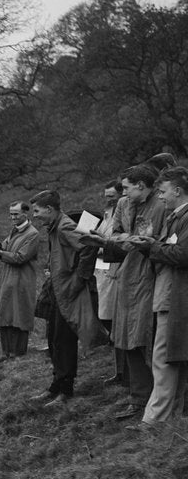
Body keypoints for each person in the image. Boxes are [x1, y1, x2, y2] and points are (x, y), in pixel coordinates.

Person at [87, 164, 167, 419]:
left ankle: (161, 396)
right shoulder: (125, 204)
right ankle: (138, 397)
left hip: (151, 277)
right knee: (127, 338)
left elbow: (158, 242)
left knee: (149, 338)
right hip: (127, 276)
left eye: (127, 187)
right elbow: (120, 234)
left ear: (141, 186)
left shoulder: (161, 205)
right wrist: (109, 242)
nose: (123, 193)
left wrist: (122, 241)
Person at [28, 190, 103, 406]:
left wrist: (79, 278)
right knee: (53, 339)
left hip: (68, 293)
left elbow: (89, 245)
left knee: (63, 341)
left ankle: (66, 390)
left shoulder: (64, 226)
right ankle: (56, 385)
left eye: (37, 211)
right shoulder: (55, 227)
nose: (35, 216)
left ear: (49, 209)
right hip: (58, 291)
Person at [128, 166, 188, 429]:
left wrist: (151, 246)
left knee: (163, 359)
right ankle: (171, 418)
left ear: (177, 190)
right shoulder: (175, 217)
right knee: (172, 358)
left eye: (162, 191)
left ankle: (154, 420)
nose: (160, 196)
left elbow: (182, 254)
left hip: (175, 297)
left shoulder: (184, 218)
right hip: (169, 295)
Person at [0, 202, 39, 361]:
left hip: (21, 280)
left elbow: (21, 257)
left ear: (25, 213)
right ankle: (6, 352)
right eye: (11, 214)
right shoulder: (16, 230)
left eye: (16, 214)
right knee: (5, 313)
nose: (13, 217)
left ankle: (18, 352)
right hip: (8, 278)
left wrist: (1, 252)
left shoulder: (32, 234)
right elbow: (8, 246)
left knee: (19, 314)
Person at [93, 181, 124, 384]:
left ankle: (123, 371)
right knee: (103, 314)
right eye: (106, 195)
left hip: (113, 270)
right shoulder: (107, 213)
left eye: (112, 195)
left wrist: (100, 244)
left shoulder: (122, 214)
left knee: (111, 316)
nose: (108, 198)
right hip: (101, 270)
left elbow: (116, 242)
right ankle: (119, 369)